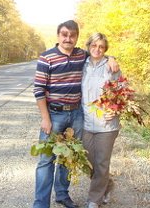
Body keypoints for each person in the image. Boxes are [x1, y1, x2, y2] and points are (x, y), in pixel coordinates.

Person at [32, 20, 119, 208]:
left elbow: (99, 53)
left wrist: (112, 57)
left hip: (76, 115)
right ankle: (40, 204)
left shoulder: (81, 55)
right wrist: (45, 119)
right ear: (58, 35)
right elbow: (38, 90)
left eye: (72, 35)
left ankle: (62, 195)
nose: (68, 38)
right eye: (64, 34)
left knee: (69, 156)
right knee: (47, 160)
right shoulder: (46, 58)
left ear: (77, 37)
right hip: (54, 115)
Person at [81, 33, 121, 208]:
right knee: (88, 162)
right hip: (85, 123)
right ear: (89, 46)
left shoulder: (112, 67)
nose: (97, 49)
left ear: (105, 49)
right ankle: (108, 184)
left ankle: (93, 200)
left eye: (101, 47)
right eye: (94, 46)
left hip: (106, 124)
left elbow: (122, 92)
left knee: (102, 163)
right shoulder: (81, 64)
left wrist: (115, 110)